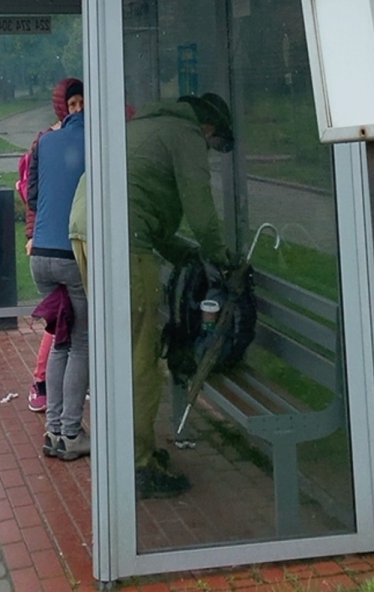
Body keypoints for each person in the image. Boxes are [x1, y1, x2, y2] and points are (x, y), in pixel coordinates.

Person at [126, 92, 231, 499]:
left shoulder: (148, 124)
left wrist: (183, 252)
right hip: (125, 245)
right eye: (214, 142)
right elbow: (200, 209)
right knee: (143, 359)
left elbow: (142, 206)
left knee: (123, 352)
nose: (209, 149)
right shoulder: (186, 134)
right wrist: (219, 257)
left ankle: (131, 451)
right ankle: (139, 466)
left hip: (88, 231)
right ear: (208, 127)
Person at [27, 78, 89, 461]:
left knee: (60, 341)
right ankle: (71, 433)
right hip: (71, 253)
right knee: (80, 343)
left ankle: (53, 431)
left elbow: (33, 197)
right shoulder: (96, 139)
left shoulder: (45, 142)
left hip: (41, 255)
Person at [18, 77, 80, 412]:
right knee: (67, 329)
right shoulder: (49, 141)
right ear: (61, 108)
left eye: (82, 103)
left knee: (63, 325)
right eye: (72, 105)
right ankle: (43, 383)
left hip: (53, 245)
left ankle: (49, 388)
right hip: (62, 245)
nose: (78, 110)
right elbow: (35, 195)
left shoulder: (55, 140)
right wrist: (32, 235)